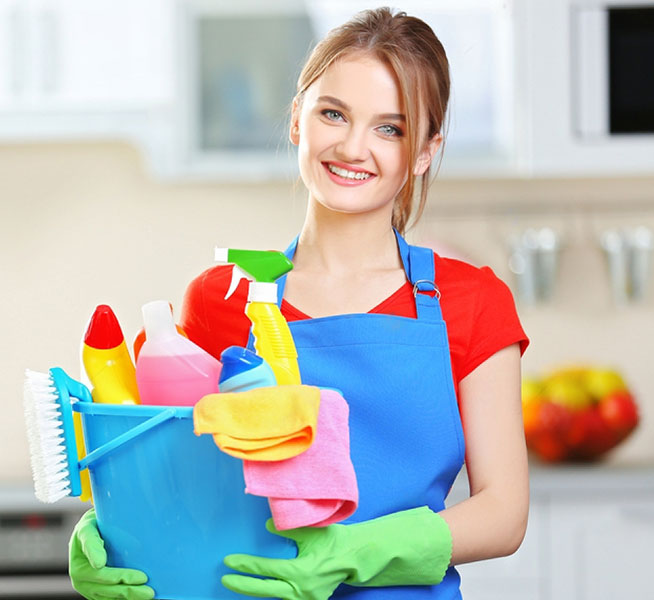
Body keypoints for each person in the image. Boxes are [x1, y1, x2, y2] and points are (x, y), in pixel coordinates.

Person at [69, 7, 529, 600]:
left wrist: (356, 553)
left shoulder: (471, 301)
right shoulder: (222, 299)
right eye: (333, 114)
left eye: (390, 129)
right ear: (296, 119)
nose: (353, 147)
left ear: (424, 151)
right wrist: (115, 530)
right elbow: (181, 479)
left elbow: (503, 512)